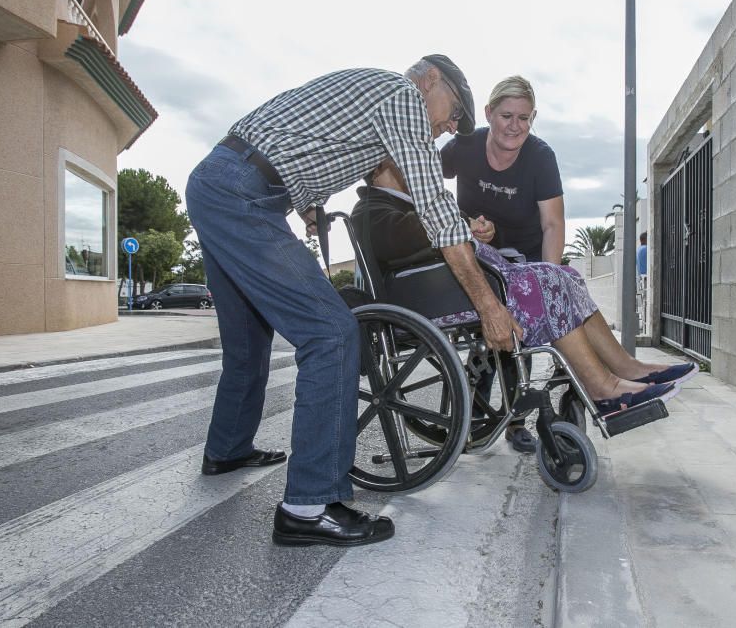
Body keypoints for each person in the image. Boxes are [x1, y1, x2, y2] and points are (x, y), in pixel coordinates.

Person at [185, 56, 520, 548]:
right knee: (332, 333)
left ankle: (227, 449)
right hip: (242, 192)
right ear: (430, 81)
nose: (449, 128)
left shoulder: (370, 102)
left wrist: (306, 202)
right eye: (453, 113)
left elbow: (298, 139)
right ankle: (309, 505)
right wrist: (490, 305)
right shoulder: (402, 96)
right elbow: (435, 209)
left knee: (248, 340)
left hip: (225, 182)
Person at [352, 158, 699, 417]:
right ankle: (602, 388)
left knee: (565, 274)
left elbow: (457, 234)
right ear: (382, 165)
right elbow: (400, 240)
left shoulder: (417, 204)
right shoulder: (369, 209)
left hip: (476, 278)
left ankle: (625, 368)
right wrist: (456, 224)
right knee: (545, 281)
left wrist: (483, 230)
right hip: (433, 299)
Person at [440, 76, 565, 453]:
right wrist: (460, 224)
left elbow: (553, 223)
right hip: (474, 253)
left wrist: (548, 276)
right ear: (489, 113)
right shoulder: (464, 145)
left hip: (521, 255)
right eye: (507, 115)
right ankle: (474, 412)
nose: (515, 126)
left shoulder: (540, 157)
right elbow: (425, 178)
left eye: (524, 118)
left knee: (513, 339)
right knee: (485, 331)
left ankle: (515, 422)